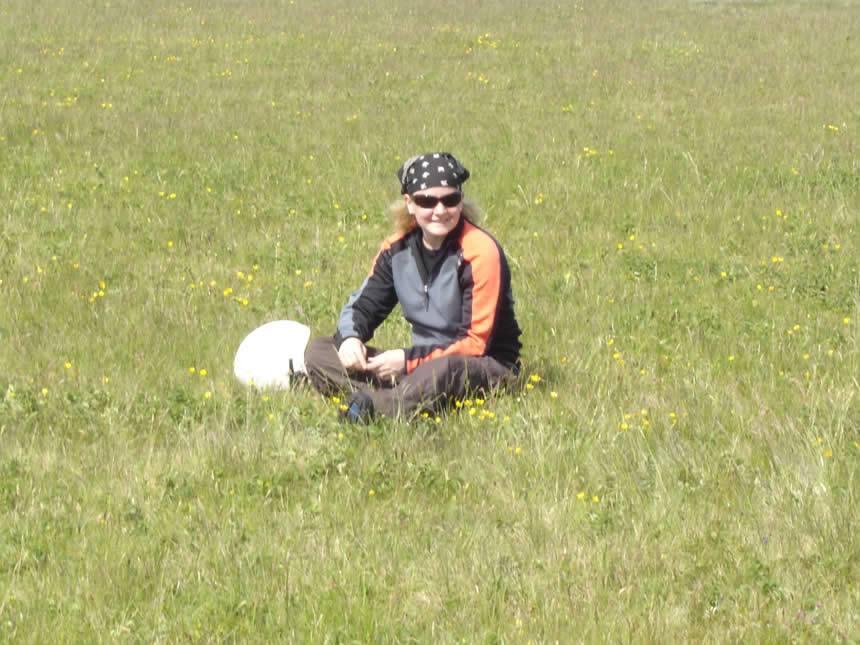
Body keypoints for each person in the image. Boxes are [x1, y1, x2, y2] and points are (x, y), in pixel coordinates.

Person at [304, 152, 522, 422]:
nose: (440, 210)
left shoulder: (481, 251)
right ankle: (399, 396)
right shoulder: (396, 250)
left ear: (461, 200)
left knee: (444, 371)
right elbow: (364, 306)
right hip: (421, 365)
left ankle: (375, 407)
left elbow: (475, 343)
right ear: (410, 203)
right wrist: (350, 339)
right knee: (320, 351)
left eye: (450, 200)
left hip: (483, 364)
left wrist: (407, 361)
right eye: (427, 201)